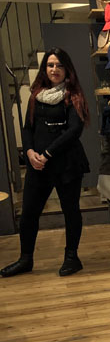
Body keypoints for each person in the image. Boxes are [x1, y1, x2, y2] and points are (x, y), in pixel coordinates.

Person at [0, 48, 90, 278]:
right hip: (38, 164)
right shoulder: (36, 95)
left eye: (59, 65)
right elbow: (28, 128)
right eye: (50, 65)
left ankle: (72, 257)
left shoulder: (73, 95)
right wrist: (29, 152)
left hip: (67, 163)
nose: (54, 69)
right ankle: (25, 259)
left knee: (71, 211)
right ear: (44, 68)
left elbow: (74, 130)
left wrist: (47, 153)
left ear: (67, 69)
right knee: (29, 212)